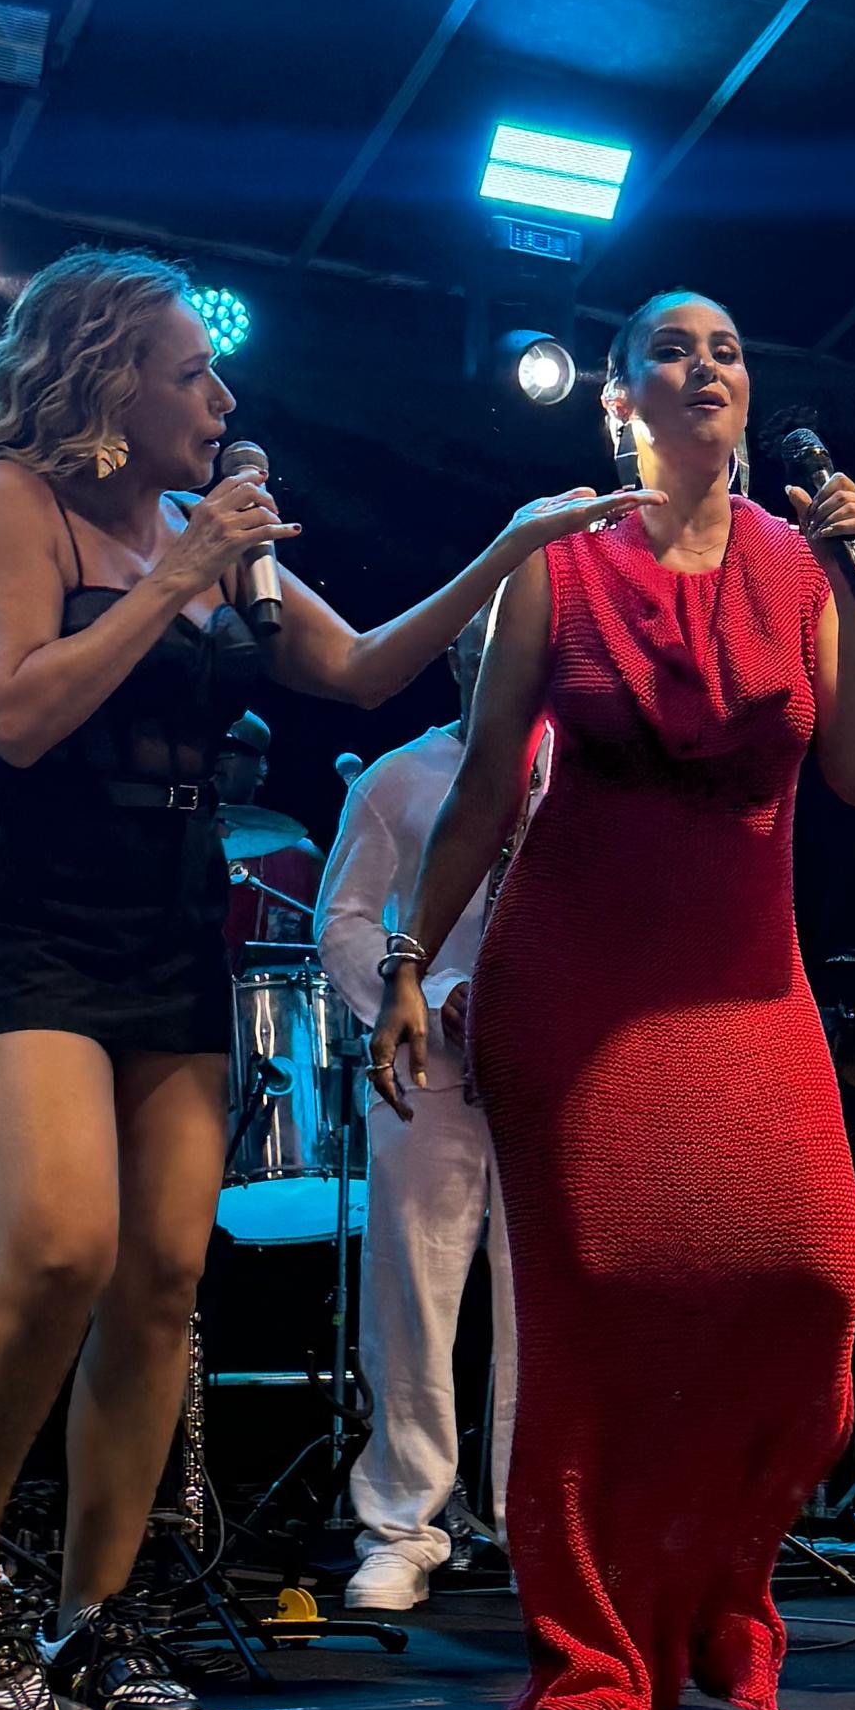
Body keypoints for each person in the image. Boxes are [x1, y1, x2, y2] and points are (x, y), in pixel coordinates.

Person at [0, 247, 641, 1710]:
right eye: (192, 373)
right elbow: (20, 715)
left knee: (164, 1281)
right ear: (106, 380)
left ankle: (96, 1627)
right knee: (55, 1246)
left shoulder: (205, 534)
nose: (224, 399)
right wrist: (176, 579)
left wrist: (505, 550)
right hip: (23, 912)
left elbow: (366, 673)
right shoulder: (12, 503)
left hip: (165, 917)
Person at [367, 293, 855, 1710]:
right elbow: (483, 792)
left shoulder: (803, 565)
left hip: (744, 980)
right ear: (619, 401)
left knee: (811, 1270)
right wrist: (412, 960)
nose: (706, 367)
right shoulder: (556, 565)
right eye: (671, 349)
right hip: (581, 980)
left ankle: (712, 1591)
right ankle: (592, 1653)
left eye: (729, 347)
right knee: (599, 1311)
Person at [313, 619, 525, 1613]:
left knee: (548, 1303)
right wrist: (434, 990)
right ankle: (401, 1523)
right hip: (428, 1066)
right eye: (484, 646)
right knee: (411, 1292)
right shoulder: (397, 776)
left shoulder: (584, 767)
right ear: (456, 659)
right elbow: (342, 921)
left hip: (554, 1072)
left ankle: (539, 1518)